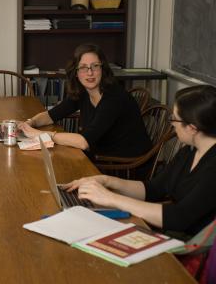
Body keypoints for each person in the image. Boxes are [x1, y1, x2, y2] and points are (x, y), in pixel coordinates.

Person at [65, 85, 216, 238]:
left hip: (192, 248)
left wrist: (110, 198)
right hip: (172, 232)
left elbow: (178, 218)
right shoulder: (190, 151)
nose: (172, 123)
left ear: (192, 128)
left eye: (175, 119)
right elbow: (153, 189)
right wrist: (107, 181)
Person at [18, 43, 152, 158]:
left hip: (124, 165)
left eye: (95, 66)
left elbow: (84, 142)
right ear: (76, 72)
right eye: (83, 67)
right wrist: (30, 123)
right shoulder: (82, 92)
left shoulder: (114, 97)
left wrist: (39, 135)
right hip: (100, 154)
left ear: (103, 69)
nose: (89, 73)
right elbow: (51, 115)